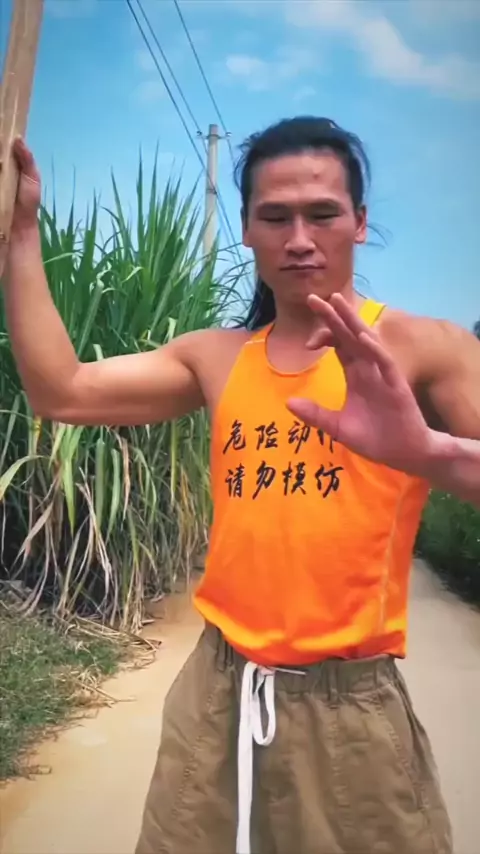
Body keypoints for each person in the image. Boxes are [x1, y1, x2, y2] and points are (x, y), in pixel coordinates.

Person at [3, 117, 480, 854]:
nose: (300, 238)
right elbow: (60, 390)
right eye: (275, 216)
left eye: (323, 214)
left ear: (359, 222)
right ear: (248, 230)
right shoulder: (216, 358)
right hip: (217, 692)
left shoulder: (428, 348)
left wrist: (427, 453)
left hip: (349, 709)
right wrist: (21, 232)